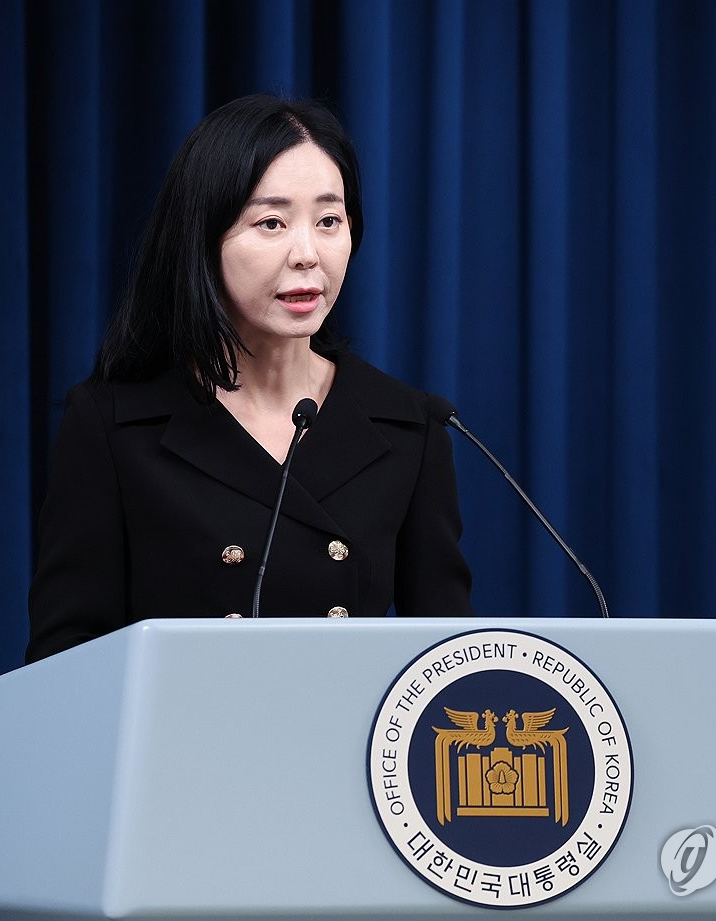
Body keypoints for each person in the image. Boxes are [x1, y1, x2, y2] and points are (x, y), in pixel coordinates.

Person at [26, 95, 473, 663]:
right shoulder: (115, 426)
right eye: (271, 223)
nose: (308, 254)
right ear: (202, 239)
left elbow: (449, 668)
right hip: (184, 750)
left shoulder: (409, 426)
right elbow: (66, 664)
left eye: (329, 221)